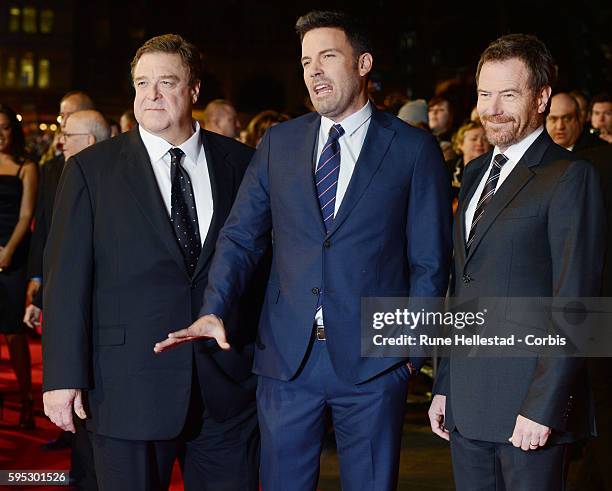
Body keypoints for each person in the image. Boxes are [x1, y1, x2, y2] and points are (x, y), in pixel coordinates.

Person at [155, 11, 452, 490]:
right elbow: (241, 237)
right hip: (286, 361)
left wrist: (409, 353)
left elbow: (429, 262)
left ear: (363, 64)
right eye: (306, 61)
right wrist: (215, 308)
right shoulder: (279, 142)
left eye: (327, 57)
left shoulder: (412, 150)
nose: (313, 71)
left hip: (375, 360)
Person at [42, 34, 261, 491]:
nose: (152, 95)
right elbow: (66, 283)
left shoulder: (243, 164)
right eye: (142, 83)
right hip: (126, 388)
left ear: (194, 89)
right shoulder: (91, 170)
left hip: (226, 389)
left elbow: (264, 267)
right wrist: (62, 378)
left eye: (166, 82)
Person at [428, 34, 605, 490]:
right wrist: (445, 382)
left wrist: (543, 407)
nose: (493, 108)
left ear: (541, 97)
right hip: (467, 405)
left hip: (529, 413)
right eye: (485, 94)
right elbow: (460, 290)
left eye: (509, 94)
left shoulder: (569, 177)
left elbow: (578, 301)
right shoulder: (472, 175)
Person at [0, 104, 38, 429]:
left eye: (5, 127)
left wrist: (7, 251)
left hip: (13, 255)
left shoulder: (26, 166)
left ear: (14, 130)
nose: (0, 135)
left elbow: (26, 216)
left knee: (13, 333)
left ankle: (27, 398)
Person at [447, 120, 490, 193]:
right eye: (474, 139)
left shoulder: (494, 169)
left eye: (485, 139)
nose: (479, 143)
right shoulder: (448, 168)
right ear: (460, 144)